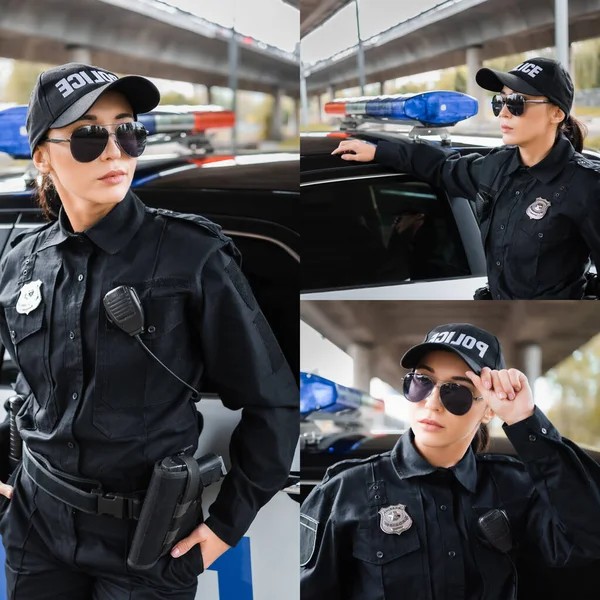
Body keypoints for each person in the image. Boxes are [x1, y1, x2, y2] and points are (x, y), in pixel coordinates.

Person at [0, 62, 298, 599]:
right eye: (89, 135)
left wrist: (226, 527)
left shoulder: (193, 256)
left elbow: (273, 402)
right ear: (42, 155)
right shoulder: (20, 263)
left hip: (147, 546)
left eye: (129, 131)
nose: (115, 151)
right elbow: (26, 390)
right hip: (35, 529)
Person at [300, 323, 600, 600]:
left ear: (488, 411)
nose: (432, 402)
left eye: (456, 391)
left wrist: (524, 420)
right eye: (422, 381)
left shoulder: (517, 488)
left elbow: (589, 538)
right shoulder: (343, 492)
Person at [331, 57, 600, 300]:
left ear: (556, 113)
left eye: (517, 103)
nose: (504, 113)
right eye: (500, 101)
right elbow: (442, 166)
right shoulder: (497, 166)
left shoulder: (587, 186)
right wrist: (379, 150)